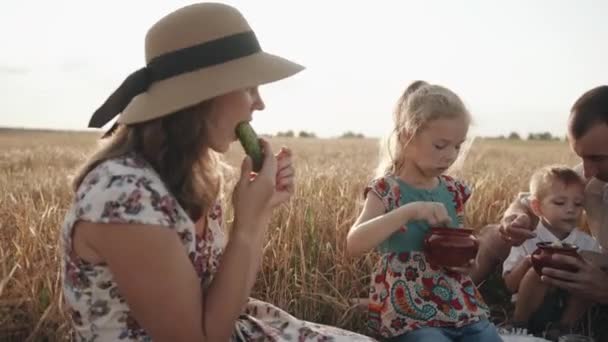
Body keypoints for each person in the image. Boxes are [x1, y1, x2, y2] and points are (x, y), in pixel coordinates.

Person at [61, 3, 377, 341]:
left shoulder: (194, 173)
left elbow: (226, 298)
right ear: (203, 95)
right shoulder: (124, 194)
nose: (260, 103)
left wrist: (263, 208)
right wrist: (247, 224)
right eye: (249, 87)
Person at [346, 80, 501, 341]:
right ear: (408, 135)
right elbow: (354, 243)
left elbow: (458, 243)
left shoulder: (454, 191)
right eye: (440, 146)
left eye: (457, 146)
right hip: (407, 312)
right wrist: (409, 211)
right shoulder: (387, 190)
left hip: (456, 304)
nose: (450, 155)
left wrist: (466, 261)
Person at [479, 86, 608, 306]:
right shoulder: (592, 179)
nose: (587, 172)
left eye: (598, 158)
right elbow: (528, 202)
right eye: (582, 158)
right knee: (493, 235)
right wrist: (516, 218)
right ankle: (457, 304)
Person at [502, 165, 600, 335]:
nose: (571, 210)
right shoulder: (527, 239)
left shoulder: (587, 243)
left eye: (578, 204)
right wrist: (529, 261)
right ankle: (519, 324)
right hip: (530, 307)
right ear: (537, 207)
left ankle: (563, 329)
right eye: (560, 202)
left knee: (587, 275)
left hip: (569, 307)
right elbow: (510, 285)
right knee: (539, 270)